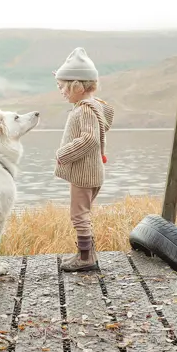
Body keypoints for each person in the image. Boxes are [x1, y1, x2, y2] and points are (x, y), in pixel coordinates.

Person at [54, 47, 115, 271]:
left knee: (78, 215)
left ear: (77, 86)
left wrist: (63, 154)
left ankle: (85, 258)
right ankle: (87, 254)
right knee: (84, 213)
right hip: (92, 170)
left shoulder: (85, 110)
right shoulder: (94, 107)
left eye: (62, 87)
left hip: (84, 172)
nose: (60, 91)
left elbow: (90, 140)